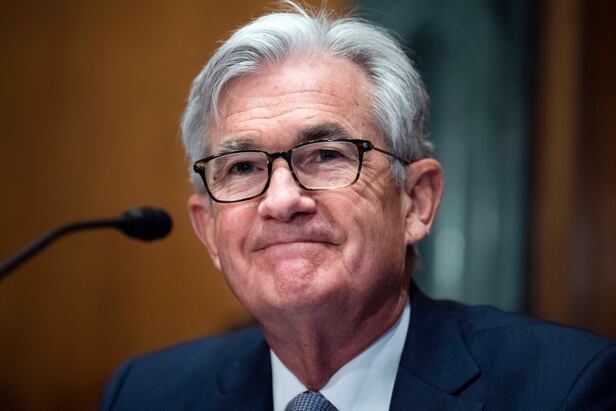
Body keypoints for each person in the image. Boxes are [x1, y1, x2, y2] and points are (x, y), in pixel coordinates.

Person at [101, 3, 616, 410]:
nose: (282, 200)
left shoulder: (565, 387)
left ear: (416, 202)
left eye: (327, 155)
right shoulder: (146, 393)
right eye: (242, 168)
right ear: (208, 230)